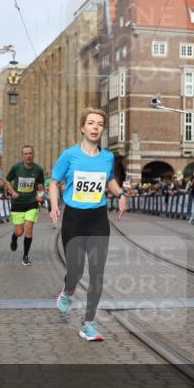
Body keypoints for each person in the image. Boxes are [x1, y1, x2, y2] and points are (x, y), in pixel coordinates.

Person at [50, 108, 127, 342]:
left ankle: (88, 323)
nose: (95, 127)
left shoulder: (107, 157)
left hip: (98, 219)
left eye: (100, 124)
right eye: (91, 123)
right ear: (83, 127)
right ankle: (68, 290)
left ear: (103, 130)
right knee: (75, 271)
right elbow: (54, 182)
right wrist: (54, 206)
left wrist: (121, 193)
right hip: (74, 218)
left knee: (97, 273)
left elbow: (110, 180)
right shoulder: (69, 155)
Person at [5, 145, 46, 267]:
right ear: (22, 156)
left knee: (28, 227)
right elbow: (7, 180)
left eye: (30, 153)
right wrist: (12, 192)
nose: (28, 156)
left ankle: (25, 256)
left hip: (31, 202)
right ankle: (14, 237)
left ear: (33, 154)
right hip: (18, 204)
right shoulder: (16, 168)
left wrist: (40, 195)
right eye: (26, 154)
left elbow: (40, 185)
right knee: (19, 232)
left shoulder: (38, 169)